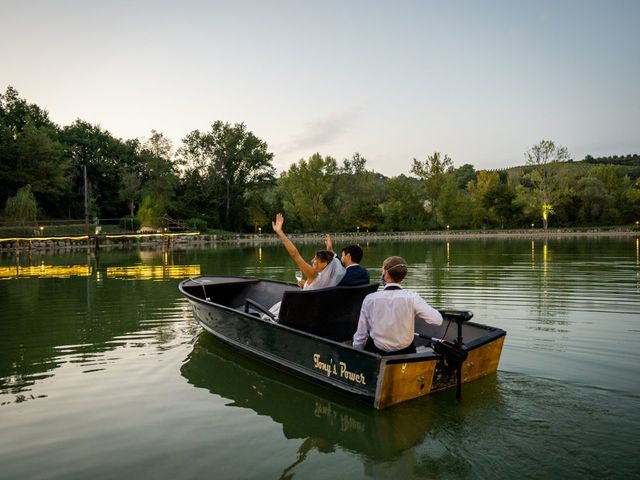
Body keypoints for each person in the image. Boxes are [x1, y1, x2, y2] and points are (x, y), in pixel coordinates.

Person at [352, 256, 442, 355]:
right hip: (405, 352)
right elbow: (438, 320)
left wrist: (357, 353)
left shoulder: (370, 299)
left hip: (377, 352)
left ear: (386, 274)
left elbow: (361, 335)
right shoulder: (412, 298)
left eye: (383, 271)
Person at [271, 213, 345, 290]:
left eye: (316, 259)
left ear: (324, 263)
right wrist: (306, 284)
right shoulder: (332, 280)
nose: (312, 260)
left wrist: (280, 232)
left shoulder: (313, 275)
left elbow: (295, 254)